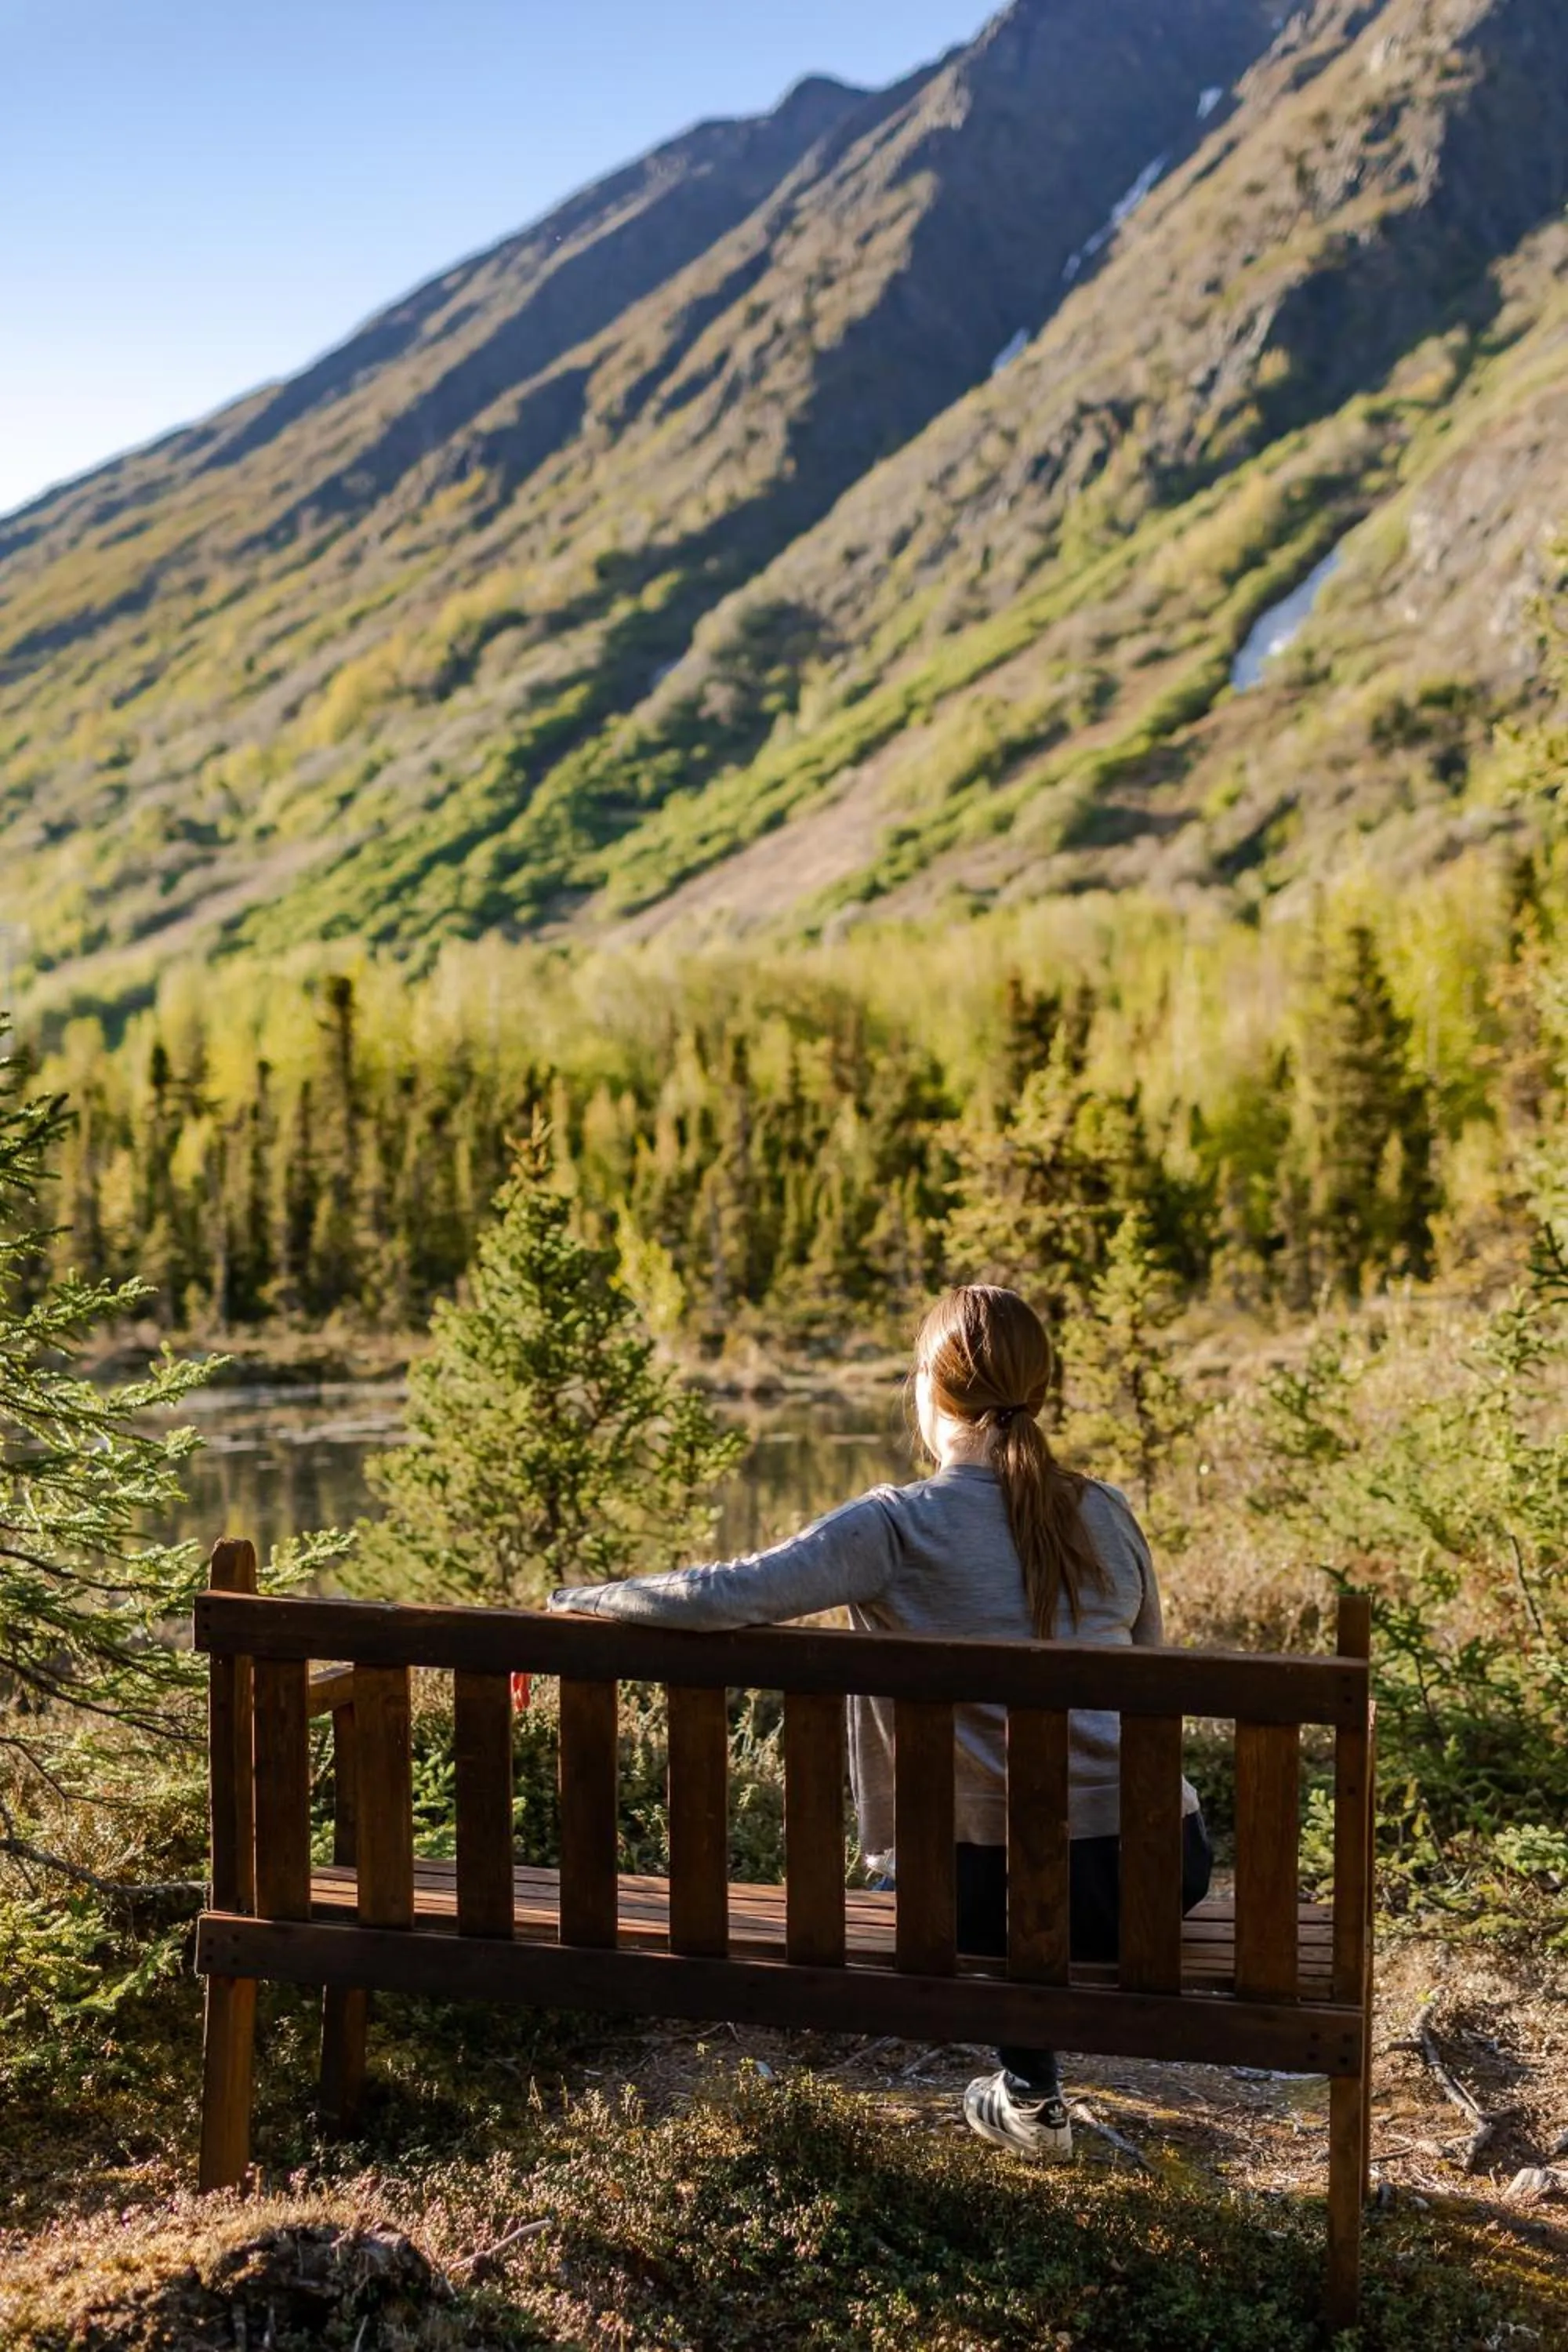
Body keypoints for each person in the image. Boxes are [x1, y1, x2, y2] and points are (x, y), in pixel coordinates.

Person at [548, 1283, 1211, 2163]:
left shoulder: (894, 1527)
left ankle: (1028, 2091)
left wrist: (579, 1599)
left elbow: (726, 1594)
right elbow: (1151, 1688)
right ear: (1038, 1394)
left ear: (930, 1394)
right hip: (1155, 1872)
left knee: (969, 1866)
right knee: (1018, 1851)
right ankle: (1027, 2094)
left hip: (979, 1899)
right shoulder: (1105, 1512)